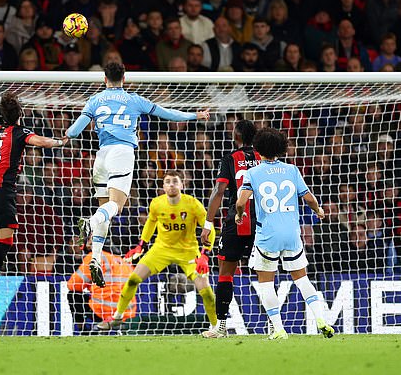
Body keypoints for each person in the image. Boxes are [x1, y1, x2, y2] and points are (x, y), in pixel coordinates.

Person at [65, 62, 210, 287]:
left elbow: (73, 131)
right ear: (124, 79)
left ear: (105, 79)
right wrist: (195, 115)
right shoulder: (134, 99)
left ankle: (94, 257)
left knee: (106, 211)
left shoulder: (94, 100)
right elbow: (168, 114)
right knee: (116, 207)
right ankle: (90, 223)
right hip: (122, 153)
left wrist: (61, 138)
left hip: (101, 156)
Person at [0, 91, 68, 309]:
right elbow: (39, 141)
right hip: (2, 191)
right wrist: (61, 141)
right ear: (20, 112)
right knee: (5, 241)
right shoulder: (20, 132)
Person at [236, 127, 335, 340]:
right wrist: (318, 210)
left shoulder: (253, 172)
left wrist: (238, 215)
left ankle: (279, 329)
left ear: (257, 149)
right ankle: (321, 319)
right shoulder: (292, 170)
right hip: (292, 233)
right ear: (281, 149)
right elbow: (308, 198)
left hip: (267, 236)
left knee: (266, 282)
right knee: (302, 279)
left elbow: (241, 202)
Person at [96, 170, 217, 330]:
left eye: (175, 181)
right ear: (163, 186)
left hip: (188, 251)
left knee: (206, 291)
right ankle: (117, 317)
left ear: (182, 184)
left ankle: (217, 327)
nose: (171, 184)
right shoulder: (156, 204)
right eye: (168, 181)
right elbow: (150, 224)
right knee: (133, 280)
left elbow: (210, 228)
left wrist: (205, 255)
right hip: (161, 249)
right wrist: (141, 245)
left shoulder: (193, 204)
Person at [200, 119, 260, 339]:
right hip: (262, 224)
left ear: (236, 136)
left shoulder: (230, 159)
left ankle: (221, 327)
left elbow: (219, 190)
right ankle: (275, 327)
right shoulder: (266, 159)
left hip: (236, 222)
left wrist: (208, 224)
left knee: (225, 272)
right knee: (266, 272)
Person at [67, 238, 136, 334]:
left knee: (73, 295)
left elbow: (73, 285)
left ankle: (83, 332)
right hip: (127, 312)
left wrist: (90, 285)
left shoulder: (95, 257)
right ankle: (117, 326)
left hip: (104, 310)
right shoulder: (123, 261)